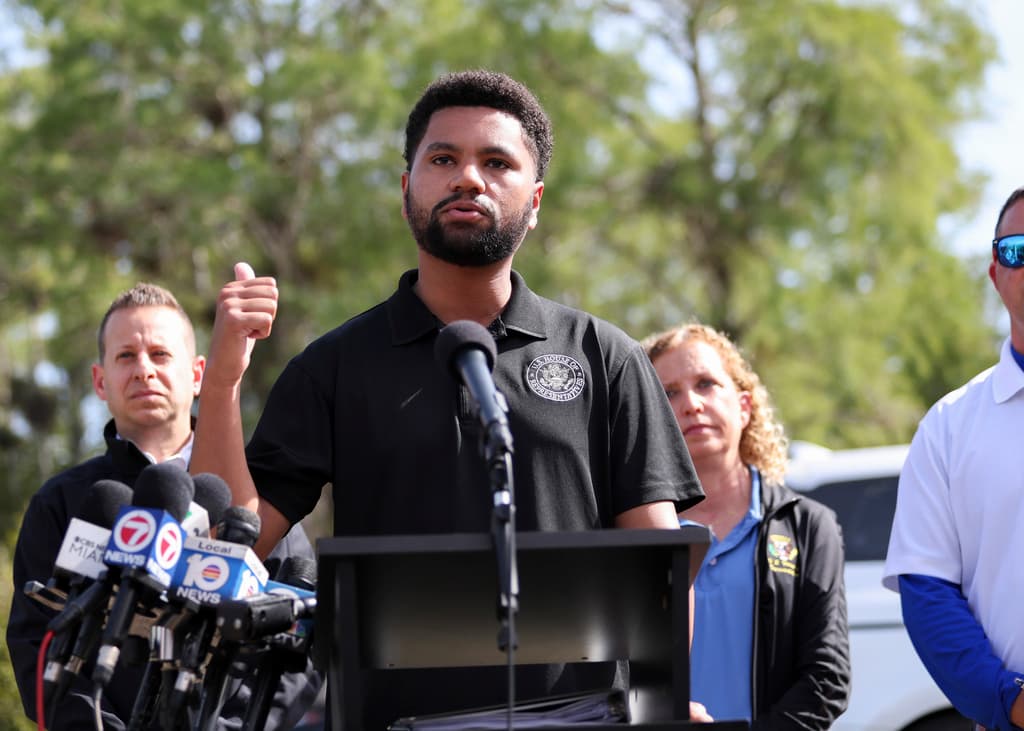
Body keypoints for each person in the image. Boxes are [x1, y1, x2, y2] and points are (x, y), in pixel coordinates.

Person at [190, 69, 704, 728]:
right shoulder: (335, 365)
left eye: (496, 162)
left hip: (580, 715)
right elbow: (233, 542)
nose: (469, 178)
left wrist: (665, 704)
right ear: (406, 189)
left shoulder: (606, 357)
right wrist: (227, 378)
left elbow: (658, 571)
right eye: (443, 159)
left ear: (537, 199)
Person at [6, 282, 321, 730]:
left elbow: (302, 643)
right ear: (100, 381)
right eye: (126, 356)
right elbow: (36, 642)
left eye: (160, 354)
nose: (144, 370)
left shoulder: (256, 498)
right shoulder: (62, 503)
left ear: (197, 374)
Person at [642, 323, 850, 729]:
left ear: (744, 406)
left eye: (705, 383)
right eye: (669, 393)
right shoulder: (629, 527)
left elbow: (828, 677)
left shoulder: (808, 526)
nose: (691, 404)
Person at [883, 187, 1024, 731]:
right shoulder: (949, 426)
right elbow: (927, 591)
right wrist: (1011, 701)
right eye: (1017, 249)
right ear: (995, 273)